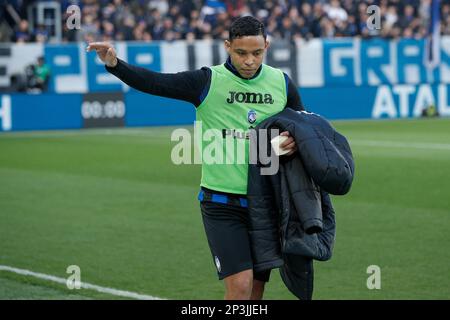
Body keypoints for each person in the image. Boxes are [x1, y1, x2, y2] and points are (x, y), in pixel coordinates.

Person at [87, 16, 304, 300]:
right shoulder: (207, 81)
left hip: (266, 203)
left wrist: (293, 143)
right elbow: (157, 83)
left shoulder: (282, 83)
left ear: (267, 45)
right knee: (240, 287)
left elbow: (303, 128)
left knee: (256, 290)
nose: (249, 60)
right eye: (241, 53)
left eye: (257, 53)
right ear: (227, 46)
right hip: (221, 203)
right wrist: (115, 64)